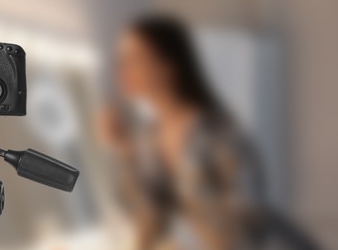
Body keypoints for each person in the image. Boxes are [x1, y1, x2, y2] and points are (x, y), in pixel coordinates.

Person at [98, 15, 317, 250]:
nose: (123, 69)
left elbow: (247, 217)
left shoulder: (216, 132)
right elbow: (145, 216)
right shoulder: (148, 142)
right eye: (121, 60)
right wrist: (122, 151)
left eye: (134, 58)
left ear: (168, 66)